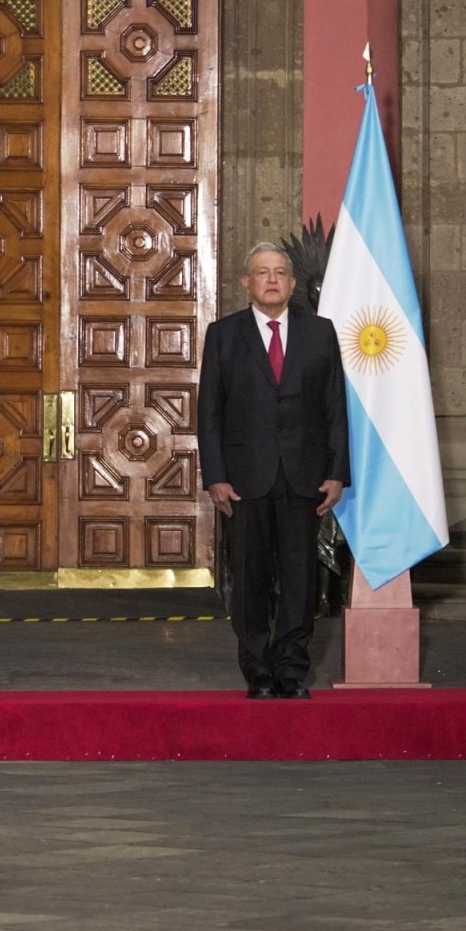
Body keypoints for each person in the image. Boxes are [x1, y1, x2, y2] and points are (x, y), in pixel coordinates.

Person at [197, 242, 350, 699]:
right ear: (247, 283)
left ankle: (290, 669)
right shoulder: (223, 334)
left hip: (304, 477)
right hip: (244, 479)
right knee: (249, 578)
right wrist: (215, 476)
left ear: (292, 283)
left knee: (300, 579)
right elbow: (210, 413)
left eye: (280, 272)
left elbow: (335, 408)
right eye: (262, 273)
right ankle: (258, 671)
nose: (271, 280)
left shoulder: (320, 332)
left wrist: (337, 472)